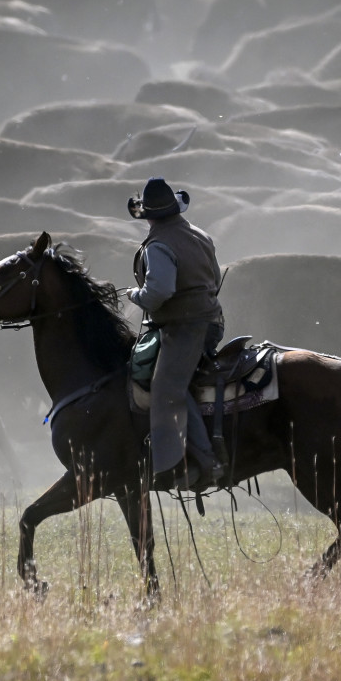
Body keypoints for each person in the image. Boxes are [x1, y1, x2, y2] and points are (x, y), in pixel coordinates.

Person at [127, 177, 225, 490]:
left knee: (167, 387)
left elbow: (159, 290)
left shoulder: (158, 246)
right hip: (211, 322)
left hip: (185, 328)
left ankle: (200, 463)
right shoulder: (199, 234)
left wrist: (135, 295)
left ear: (149, 216)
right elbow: (213, 276)